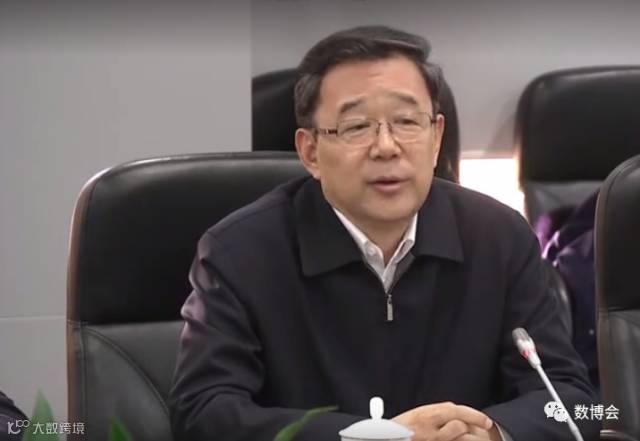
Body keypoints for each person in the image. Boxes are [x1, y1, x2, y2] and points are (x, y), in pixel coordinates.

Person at [169, 26, 599, 441]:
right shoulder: (241, 252)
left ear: (436, 138)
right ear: (310, 151)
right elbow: (202, 412)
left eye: (407, 121)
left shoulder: (499, 237)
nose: (387, 147)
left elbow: (576, 401)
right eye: (356, 127)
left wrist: (489, 432)